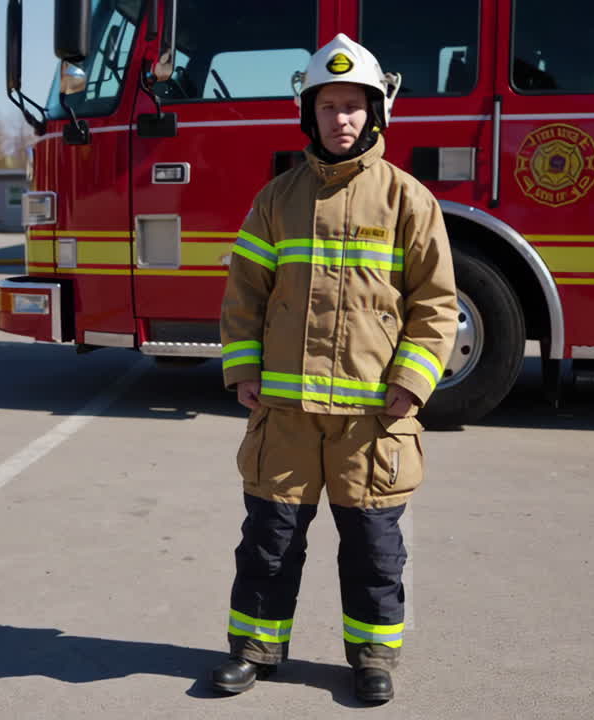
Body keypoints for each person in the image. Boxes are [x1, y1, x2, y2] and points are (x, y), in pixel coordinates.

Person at [210, 33, 459, 703]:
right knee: (268, 543)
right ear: (309, 114)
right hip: (286, 416)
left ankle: (373, 658)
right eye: (328, 106)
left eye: (353, 105)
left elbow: (436, 303)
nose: (341, 118)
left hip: (371, 420)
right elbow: (244, 295)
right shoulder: (276, 200)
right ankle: (255, 650)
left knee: (375, 549)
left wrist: (412, 382)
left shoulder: (408, 200)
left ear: (375, 112)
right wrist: (244, 370)